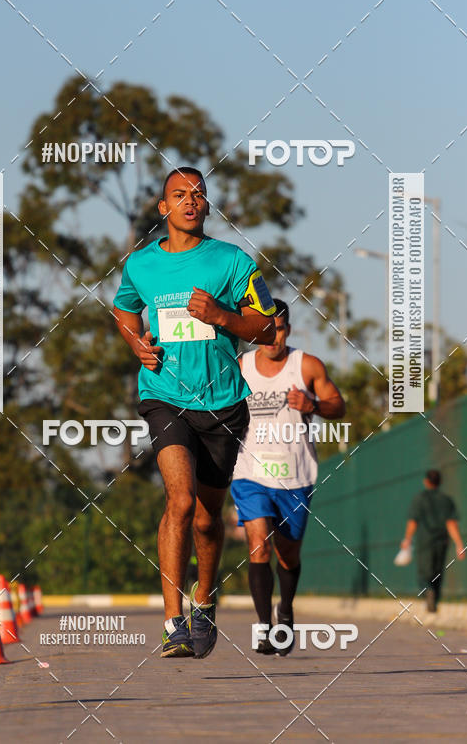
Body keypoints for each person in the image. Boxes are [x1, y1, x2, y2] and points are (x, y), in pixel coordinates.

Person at [112, 166, 276, 658]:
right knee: (179, 502)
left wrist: (222, 317)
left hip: (223, 403)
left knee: (207, 519)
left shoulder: (233, 262)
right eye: (179, 194)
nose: (190, 200)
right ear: (163, 208)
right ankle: (172, 622)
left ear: (207, 207)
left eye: (198, 194)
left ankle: (203, 597)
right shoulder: (140, 265)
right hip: (164, 395)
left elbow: (267, 328)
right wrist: (136, 343)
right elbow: (124, 310)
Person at [231, 298, 345, 655]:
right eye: (263, 330)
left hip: (295, 475)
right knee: (259, 544)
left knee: (288, 555)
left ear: (288, 330)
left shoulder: (306, 366)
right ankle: (265, 627)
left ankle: (286, 609)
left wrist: (313, 405)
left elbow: (339, 406)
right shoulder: (240, 367)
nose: (270, 337)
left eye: (277, 329)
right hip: (249, 472)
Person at [400, 469, 465, 612]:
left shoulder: (419, 499)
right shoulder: (447, 500)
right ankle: (435, 599)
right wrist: (459, 545)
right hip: (442, 542)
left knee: (424, 573)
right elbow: (451, 523)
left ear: (426, 482)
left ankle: (428, 591)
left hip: (425, 541)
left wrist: (407, 539)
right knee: (438, 571)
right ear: (440, 482)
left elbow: (413, 522)